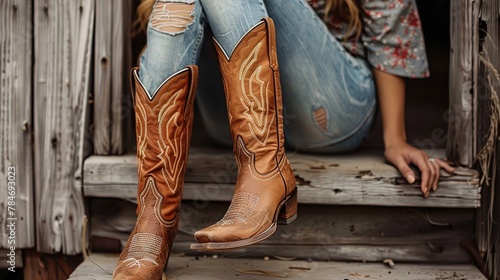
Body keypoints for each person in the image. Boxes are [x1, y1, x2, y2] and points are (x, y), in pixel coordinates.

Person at [112, 0, 455, 279]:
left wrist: (395, 137)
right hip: (229, 121)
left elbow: (390, 22)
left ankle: (263, 171)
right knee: (176, 5)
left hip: (332, 108)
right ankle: (155, 218)